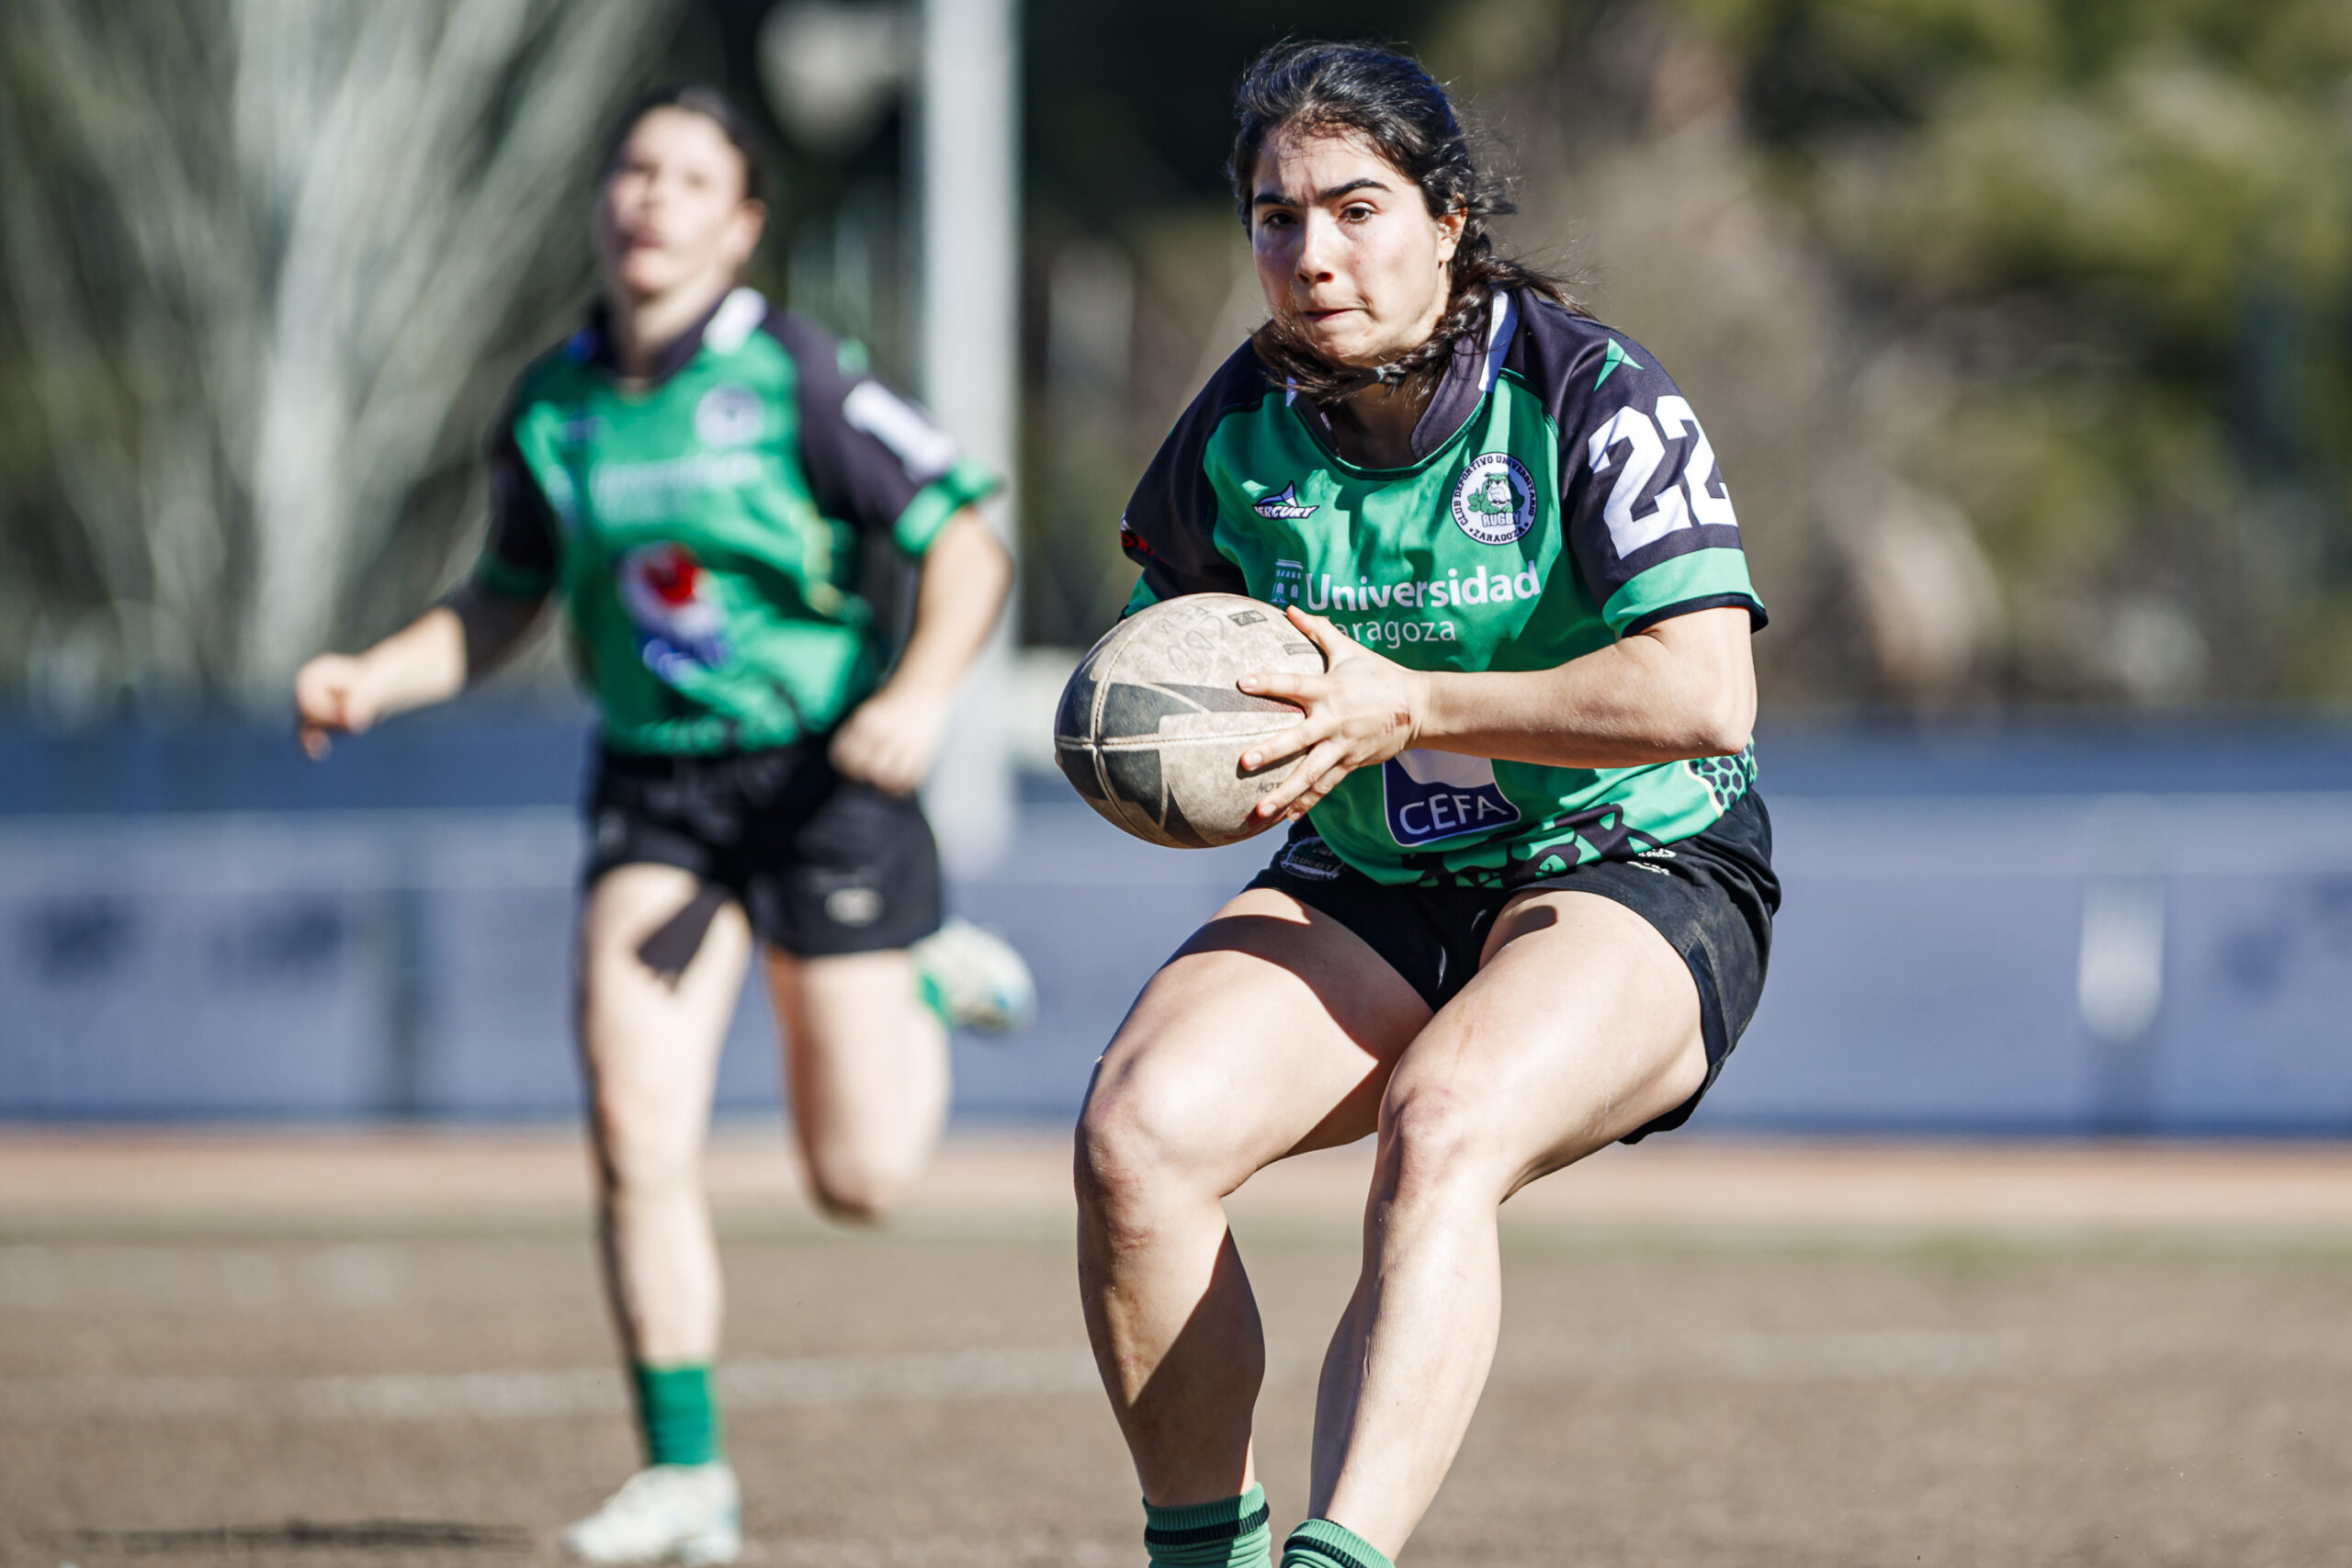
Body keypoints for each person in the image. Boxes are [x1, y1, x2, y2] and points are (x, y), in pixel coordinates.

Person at [293, 85, 1032, 1566]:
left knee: (861, 1180)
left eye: (691, 178)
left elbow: (966, 541)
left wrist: (927, 696)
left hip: (825, 787)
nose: (651, 197)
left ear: (742, 223)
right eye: (633, 168)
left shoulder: (801, 376)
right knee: (636, 1126)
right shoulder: (553, 402)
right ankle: (686, 1477)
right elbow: (502, 598)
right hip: (659, 795)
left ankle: (924, 977)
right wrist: (380, 673)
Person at [1077, 41, 1780, 1568]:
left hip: (1639, 855)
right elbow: (1172, 650)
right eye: (1276, 218)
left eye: (1356, 207)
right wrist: (1149, 746)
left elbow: (1703, 693)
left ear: (1449, 217)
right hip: (1379, 874)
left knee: (1443, 1113)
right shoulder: (1235, 433)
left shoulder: (1585, 390)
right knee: (1138, 1140)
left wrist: (1413, 700)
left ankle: (1345, 1559)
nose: (1312, 254)